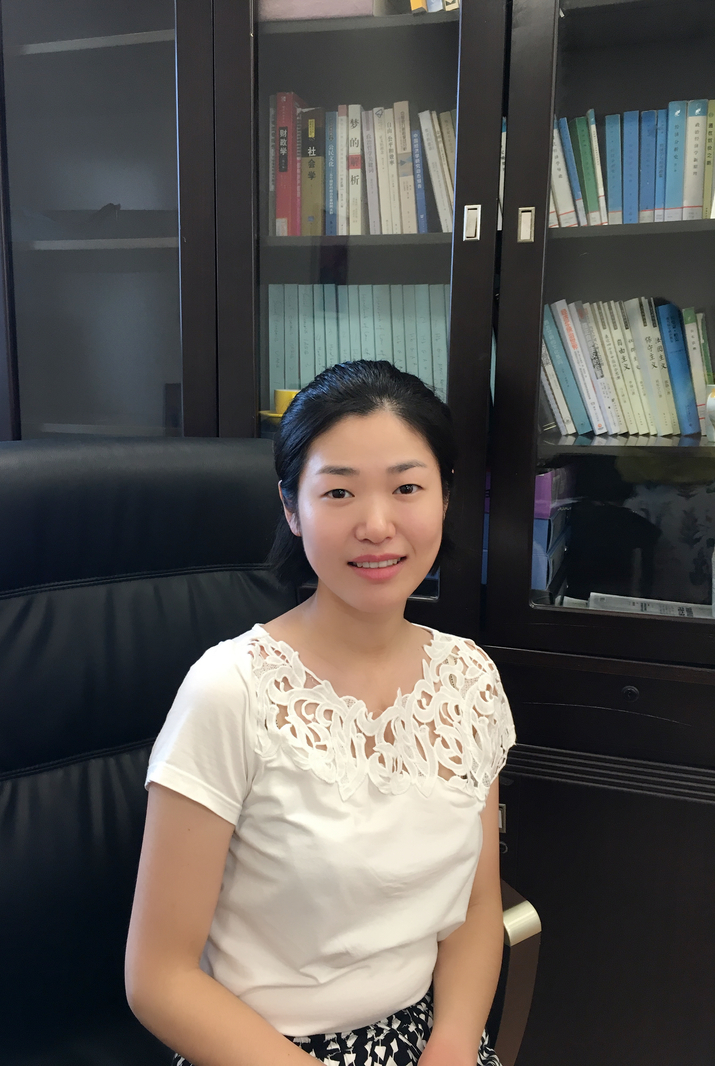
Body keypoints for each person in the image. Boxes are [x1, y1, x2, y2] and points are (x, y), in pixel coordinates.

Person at [125, 360, 516, 1066]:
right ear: (290, 507)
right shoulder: (230, 690)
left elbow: (476, 907)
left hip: (425, 1033)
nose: (377, 525)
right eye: (338, 491)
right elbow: (159, 979)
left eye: (406, 487)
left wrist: (455, 1043)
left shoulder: (470, 680)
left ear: (445, 497)